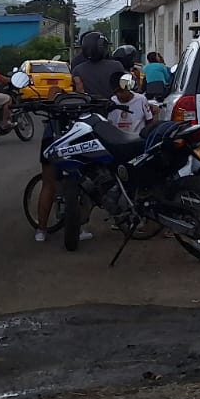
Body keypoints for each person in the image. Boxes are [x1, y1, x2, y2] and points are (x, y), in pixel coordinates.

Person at [35, 30, 125, 243]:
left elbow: (80, 91)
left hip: (65, 131)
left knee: (49, 184)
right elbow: (124, 91)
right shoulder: (116, 67)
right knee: (93, 176)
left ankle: (41, 230)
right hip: (97, 127)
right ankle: (91, 222)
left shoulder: (77, 68)